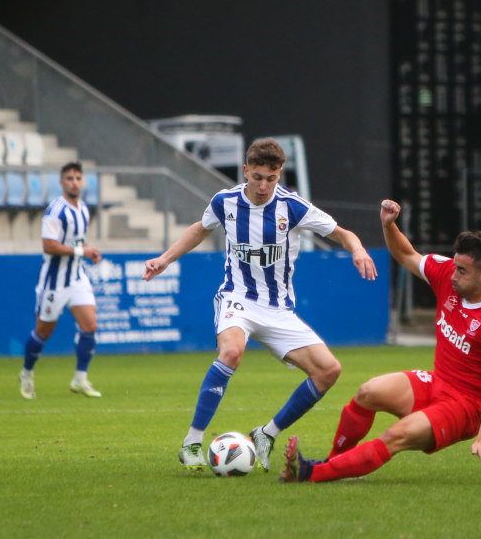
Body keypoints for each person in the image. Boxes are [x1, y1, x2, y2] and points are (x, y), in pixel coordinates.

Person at [142, 137, 377, 472]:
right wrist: (165, 258)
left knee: (329, 371)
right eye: (257, 177)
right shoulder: (225, 201)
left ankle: (267, 433)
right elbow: (200, 228)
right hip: (237, 297)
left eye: (272, 178)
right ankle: (192, 442)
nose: (264, 185)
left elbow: (342, 232)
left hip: (278, 308)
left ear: (279, 174)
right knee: (232, 353)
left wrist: (358, 249)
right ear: (245, 171)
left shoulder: (292, 206)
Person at [280, 199, 481, 483]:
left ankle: (310, 473)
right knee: (369, 392)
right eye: (455, 266)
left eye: (462, 271)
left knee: (396, 436)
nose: (453, 275)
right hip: (437, 382)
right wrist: (389, 225)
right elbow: (406, 255)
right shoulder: (448, 273)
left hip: (464, 407)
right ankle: (338, 463)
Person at [19, 161, 104, 399]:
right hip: (54, 280)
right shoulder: (56, 211)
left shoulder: (83, 209)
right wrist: (81, 252)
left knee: (90, 326)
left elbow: (76, 241)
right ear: (61, 182)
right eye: (69, 178)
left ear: (82, 181)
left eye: (78, 178)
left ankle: (80, 379)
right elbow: (49, 245)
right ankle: (26, 373)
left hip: (77, 276)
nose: (74, 182)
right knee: (43, 332)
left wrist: (89, 249)